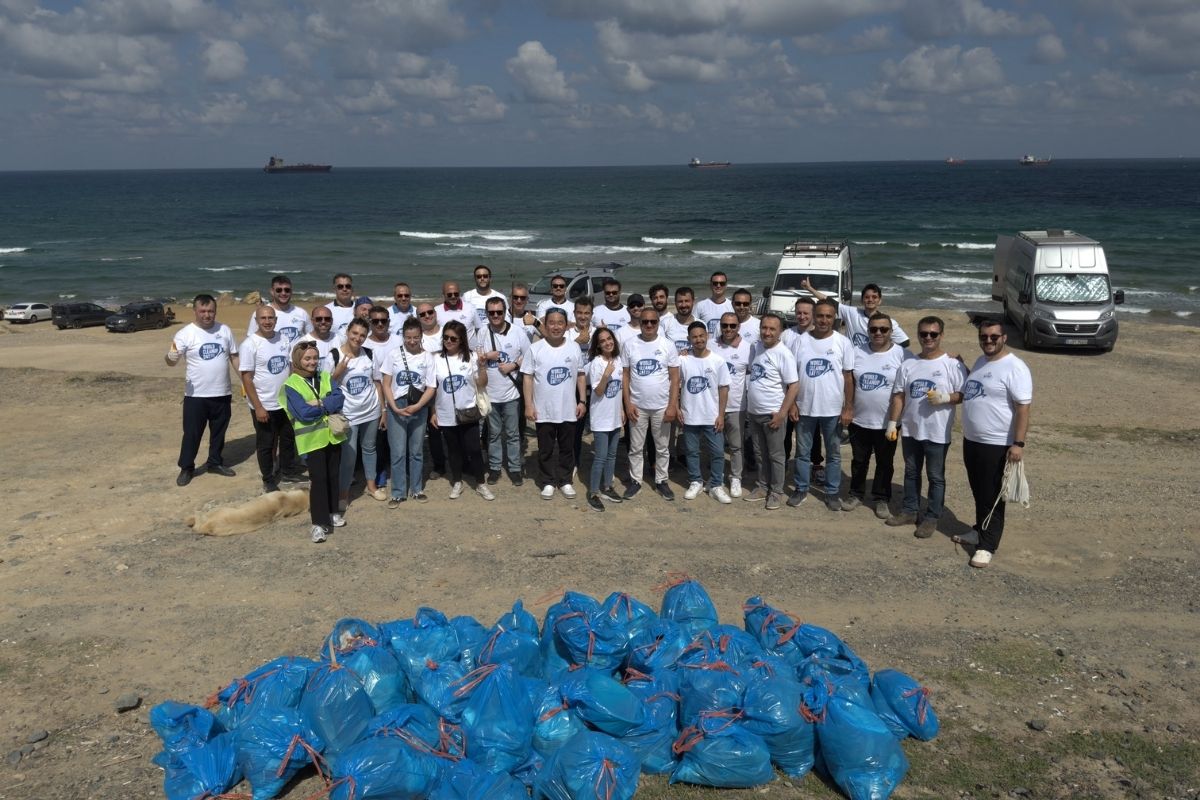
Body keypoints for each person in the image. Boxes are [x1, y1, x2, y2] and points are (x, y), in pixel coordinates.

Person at [953, 318, 1033, 568]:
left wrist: (1018, 443)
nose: (988, 341)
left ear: (1003, 338)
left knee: (993, 495)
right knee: (979, 491)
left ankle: (987, 545)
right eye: (984, 337)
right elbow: (974, 390)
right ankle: (979, 530)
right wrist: (961, 366)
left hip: (997, 443)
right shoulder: (981, 362)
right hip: (972, 440)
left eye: (993, 337)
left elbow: (1023, 408)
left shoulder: (1015, 367)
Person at [885, 316, 968, 538]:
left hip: (937, 432)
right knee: (911, 473)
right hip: (911, 430)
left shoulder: (952, 364)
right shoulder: (908, 364)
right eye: (923, 334)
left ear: (941, 335)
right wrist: (893, 423)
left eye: (933, 334)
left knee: (935, 476)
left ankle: (932, 517)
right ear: (918, 335)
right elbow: (899, 396)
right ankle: (910, 511)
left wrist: (946, 397)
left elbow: (963, 394)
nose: (928, 338)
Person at [787, 299, 855, 512]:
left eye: (828, 316)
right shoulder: (801, 341)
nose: (824, 320)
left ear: (835, 317)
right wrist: (792, 405)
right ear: (814, 316)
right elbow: (792, 377)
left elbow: (848, 377)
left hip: (833, 410)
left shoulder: (842, 342)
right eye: (820, 316)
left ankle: (832, 492)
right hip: (804, 408)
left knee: (834, 454)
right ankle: (801, 488)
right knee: (802, 453)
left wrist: (848, 407)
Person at [166, 294, 239, 486]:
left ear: (215, 311)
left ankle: (215, 462)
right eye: (203, 311)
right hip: (196, 396)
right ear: (195, 311)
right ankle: (186, 467)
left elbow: (234, 358)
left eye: (211, 311)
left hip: (222, 393)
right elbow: (171, 361)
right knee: (192, 433)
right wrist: (170, 358)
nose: (207, 315)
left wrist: (247, 381)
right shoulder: (185, 333)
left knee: (219, 432)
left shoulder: (224, 330)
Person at [280, 340, 346, 543]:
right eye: (307, 358)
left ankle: (333, 512)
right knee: (318, 480)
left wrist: (318, 402)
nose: (312, 362)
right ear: (298, 360)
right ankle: (318, 524)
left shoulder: (325, 376)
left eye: (315, 358)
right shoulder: (290, 385)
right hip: (311, 440)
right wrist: (327, 403)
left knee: (334, 476)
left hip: (333, 437)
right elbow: (303, 413)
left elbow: (339, 398)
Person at [847, 312, 910, 518]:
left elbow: (923, 367)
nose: (878, 333)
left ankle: (881, 498)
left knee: (885, 462)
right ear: (868, 331)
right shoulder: (856, 351)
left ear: (892, 331)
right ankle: (856, 493)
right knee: (859, 460)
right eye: (873, 329)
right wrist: (847, 408)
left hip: (888, 422)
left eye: (883, 329)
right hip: (859, 420)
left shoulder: (902, 354)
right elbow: (849, 382)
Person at [522, 308, 587, 500]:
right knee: (546, 448)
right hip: (544, 409)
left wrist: (582, 400)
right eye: (551, 322)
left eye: (560, 323)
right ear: (545, 324)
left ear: (566, 326)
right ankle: (548, 481)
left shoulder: (574, 347)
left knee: (567, 448)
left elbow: (581, 375)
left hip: (568, 407)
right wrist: (528, 405)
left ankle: (565, 480)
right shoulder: (536, 348)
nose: (556, 327)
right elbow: (528, 378)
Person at [240, 305, 303, 493]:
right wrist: (258, 407)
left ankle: (287, 470)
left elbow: (290, 368)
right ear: (257, 321)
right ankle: (268, 479)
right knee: (266, 444)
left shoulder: (283, 339)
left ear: (276, 320)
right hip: (264, 405)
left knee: (288, 439)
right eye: (263, 318)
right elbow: (247, 378)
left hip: (284, 403)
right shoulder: (250, 344)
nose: (267, 321)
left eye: (271, 318)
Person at [621, 306, 680, 500]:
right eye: (644, 321)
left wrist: (673, 405)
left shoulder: (668, 345)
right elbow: (626, 376)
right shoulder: (630, 344)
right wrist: (627, 404)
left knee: (662, 447)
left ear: (658, 323)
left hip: (662, 406)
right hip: (637, 406)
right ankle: (635, 481)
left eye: (652, 322)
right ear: (640, 323)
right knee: (636, 447)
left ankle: (661, 480)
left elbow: (674, 377)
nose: (648, 325)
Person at [431, 320, 493, 500]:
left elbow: (482, 383)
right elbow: (433, 388)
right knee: (453, 449)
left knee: (474, 449)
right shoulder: (436, 359)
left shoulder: (471, 357)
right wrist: (433, 412)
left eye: (453, 338)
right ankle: (457, 481)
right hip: (445, 412)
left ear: (461, 341)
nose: (448, 341)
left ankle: (481, 483)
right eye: (446, 337)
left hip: (468, 410)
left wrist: (482, 366)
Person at [744, 313, 800, 510]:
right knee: (760, 453)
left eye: (772, 329)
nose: (767, 332)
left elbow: (793, 385)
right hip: (754, 412)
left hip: (773, 414)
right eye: (764, 328)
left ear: (780, 332)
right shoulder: (756, 347)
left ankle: (776, 491)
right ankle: (762, 485)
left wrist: (782, 413)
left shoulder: (784, 354)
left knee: (776, 455)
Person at [380, 317, 436, 505]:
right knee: (397, 452)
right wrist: (392, 407)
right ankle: (398, 492)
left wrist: (419, 406)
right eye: (408, 337)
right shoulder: (393, 354)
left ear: (421, 336)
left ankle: (417, 489)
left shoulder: (428, 357)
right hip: (397, 404)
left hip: (418, 406)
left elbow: (431, 387)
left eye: (416, 337)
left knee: (416, 451)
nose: (412, 341)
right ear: (403, 336)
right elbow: (386, 384)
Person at [332, 318, 385, 511]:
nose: (358, 338)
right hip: (348, 415)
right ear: (347, 332)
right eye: (354, 333)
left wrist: (383, 410)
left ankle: (372, 486)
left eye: (362, 335)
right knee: (349, 455)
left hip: (371, 411)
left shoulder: (369, 354)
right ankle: (343, 493)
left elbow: (377, 383)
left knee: (370, 448)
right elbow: (326, 386)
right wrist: (338, 372)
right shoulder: (335, 355)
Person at [677, 322, 732, 503]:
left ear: (707, 336)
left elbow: (723, 389)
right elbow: (676, 386)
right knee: (692, 451)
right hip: (690, 415)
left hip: (711, 416)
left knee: (717, 452)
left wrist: (721, 414)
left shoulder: (718, 361)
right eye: (694, 337)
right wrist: (677, 408)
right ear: (689, 339)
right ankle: (696, 481)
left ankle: (716, 484)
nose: (698, 339)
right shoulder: (682, 360)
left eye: (701, 336)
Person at [480, 296, 530, 486]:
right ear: (486, 314)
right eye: (491, 312)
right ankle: (494, 468)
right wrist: (486, 356)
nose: (495, 316)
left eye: (499, 312)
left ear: (505, 312)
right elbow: (474, 359)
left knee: (512, 433)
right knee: (493, 434)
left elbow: (529, 355)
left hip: (511, 394)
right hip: (490, 394)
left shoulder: (517, 332)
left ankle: (515, 468)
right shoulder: (482, 333)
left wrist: (514, 366)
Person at [804, 279, 910, 349]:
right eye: (867, 297)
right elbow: (829, 301)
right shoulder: (852, 313)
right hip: (851, 361)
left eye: (874, 297)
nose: (870, 300)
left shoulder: (888, 322)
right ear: (861, 300)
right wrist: (810, 289)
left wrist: (885, 347)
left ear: (880, 300)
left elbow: (905, 342)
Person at [586, 328, 625, 511]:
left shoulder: (618, 360)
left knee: (612, 455)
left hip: (615, 416)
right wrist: (606, 375)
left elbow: (620, 390)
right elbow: (599, 391)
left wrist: (623, 410)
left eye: (609, 339)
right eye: (603, 341)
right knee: (600, 457)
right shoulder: (596, 363)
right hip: (601, 417)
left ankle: (608, 487)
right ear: (598, 345)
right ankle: (593, 492)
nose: (607, 343)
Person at [713, 311, 752, 497]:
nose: (728, 329)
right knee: (716, 446)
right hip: (714, 406)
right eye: (725, 325)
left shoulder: (748, 348)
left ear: (738, 327)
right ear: (720, 326)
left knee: (736, 446)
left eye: (732, 326)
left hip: (737, 405)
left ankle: (736, 477)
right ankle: (717, 477)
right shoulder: (711, 345)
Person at [416, 301, 448, 479]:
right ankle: (439, 465)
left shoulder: (446, 332)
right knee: (434, 429)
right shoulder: (418, 336)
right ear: (418, 317)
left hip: (449, 385)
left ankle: (462, 462)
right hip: (428, 388)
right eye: (422, 314)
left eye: (430, 312)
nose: (427, 316)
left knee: (455, 427)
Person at [248, 274, 311, 344]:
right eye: (279, 290)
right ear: (272, 291)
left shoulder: (302, 313)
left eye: (287, 290)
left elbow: (311, 338)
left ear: (291, 291)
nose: (283, 293)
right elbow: (251, 340)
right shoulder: (261, 313)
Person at [297, 304, 342, 374]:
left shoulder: (339, 339)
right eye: (319, 319)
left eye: (327, 319)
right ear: (312, 321)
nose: (323, 322)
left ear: (332, 321)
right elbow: (295, 369)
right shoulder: (303, 342)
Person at [463, 264, 507, 330]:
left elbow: (506, 319)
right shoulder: (467, 296)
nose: (482, 278)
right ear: (475, 279)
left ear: (490, 278)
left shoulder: (500, 297)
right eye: (479, 276)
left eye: (485, 276)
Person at [660, 286, 696, 355]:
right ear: (675, 303)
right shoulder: (666, 323)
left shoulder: (700, 324)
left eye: (687, 301)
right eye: (680, 301)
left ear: (693, 301)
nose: (683, 305)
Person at [695, 271, 733, 336]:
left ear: (726, 286)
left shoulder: (732, 306)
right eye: (715, 283)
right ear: (710, 285)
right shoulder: (700, 306)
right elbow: (693, 328)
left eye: (722, 283)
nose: (718, 286)